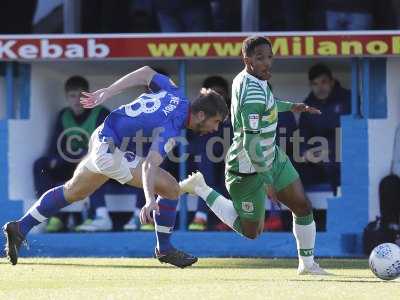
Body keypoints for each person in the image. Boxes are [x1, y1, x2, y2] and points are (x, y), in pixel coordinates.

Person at [3, 66, 228, 268]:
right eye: (216, 121)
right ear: (200, 114)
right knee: (169, 187)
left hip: (102, 136)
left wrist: (108, 91)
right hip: (110, 152)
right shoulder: (172, 125)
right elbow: (150, 164)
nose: (216, 128)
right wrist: (150, 200)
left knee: (73, 191)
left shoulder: (175, 92)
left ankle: (20, 227)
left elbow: (146, 72)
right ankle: (165, 248)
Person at [180, 36, 329, 275]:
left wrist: (292, 106)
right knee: (251, 232)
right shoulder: (251, 93)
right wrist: (267, 182)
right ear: (247, 59)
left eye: (269, 57)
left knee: (302, 206)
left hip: (272, 156)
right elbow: (250, 144)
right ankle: (201, 188)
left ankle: (307, 265)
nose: (266, 63)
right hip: (247, 169)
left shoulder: (248, 78)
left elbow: (268, 103)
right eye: (260, 58)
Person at [32, 75, 111, 233]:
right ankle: (51, 214)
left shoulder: (101, 113)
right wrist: (54, 158)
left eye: (81, 96)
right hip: (71, 163)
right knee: (40, 164)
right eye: (72, 96)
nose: (76, 100)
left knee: (95, 163)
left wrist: (80, 155)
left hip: (99, 165)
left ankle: (99, 216)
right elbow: (55, 146)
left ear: (88, 95)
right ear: (66, 97)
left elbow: (106, 145)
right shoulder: (64, 115)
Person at [188, 76, 232, 231]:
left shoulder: (234, 113)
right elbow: (189, 143)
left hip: (226, 163)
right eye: (213, 94)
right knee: (205, 160)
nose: (216, 99)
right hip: (196, 163)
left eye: (220, 94)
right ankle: (201, 216)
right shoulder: (196, 115)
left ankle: (203, 216)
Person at [298, 63, 351, 193]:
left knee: (332, 163)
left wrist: (329, 150)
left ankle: (338, 208)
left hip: (342, 156)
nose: (320, 88)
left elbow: (351, 133)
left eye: (323, 82)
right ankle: (302, 211)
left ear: (332, 82)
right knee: (293, 170)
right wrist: (305, 152)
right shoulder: (308, 106)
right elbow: (302, 133)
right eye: (315, 84)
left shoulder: (347, 99)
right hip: (318, 156)